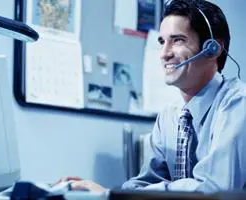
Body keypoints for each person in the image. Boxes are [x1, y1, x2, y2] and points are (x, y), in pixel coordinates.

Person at [57, 0, 246, 193]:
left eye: (178, 40)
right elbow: (144, 185)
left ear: (213, 49)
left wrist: (111, 195)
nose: (164, 54)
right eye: (162, 41)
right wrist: (106, 194)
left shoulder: (238, 104)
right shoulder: (169, 116)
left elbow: (213, 190)